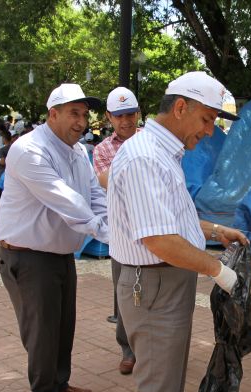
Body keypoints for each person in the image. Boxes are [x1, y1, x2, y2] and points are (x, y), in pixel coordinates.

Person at [107, 71, 248, 392]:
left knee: (167, 384)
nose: (208, 131)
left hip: (164, 283)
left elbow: (176, 216)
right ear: (182, 107)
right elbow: (161, 240)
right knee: (156, 391)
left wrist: (212, 231)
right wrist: (219, 271)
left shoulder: (161, 152)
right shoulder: (148, 156)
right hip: (154, 284)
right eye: (206, 120)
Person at [0, 83, 108, 392]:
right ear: (53, 113)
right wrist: (110, 233)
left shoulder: (78, 153)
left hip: (59, 254)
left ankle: (59, 383)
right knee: (42, 331)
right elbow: (66, 201)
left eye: (85, 115)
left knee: (63, 326)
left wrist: (108, 221)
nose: (81, 122)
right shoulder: (29, 150)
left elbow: (93, 195)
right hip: (29, 257)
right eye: (74, 113)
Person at [92, 86, 141, 375]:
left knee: (154, 291)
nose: (126, 121)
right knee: (124, 293)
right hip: (122, 233)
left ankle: (150, 347)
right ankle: (127, 348)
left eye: (130, 114)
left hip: (156, 231)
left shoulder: (154, 140)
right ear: (109, 117)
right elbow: (108, 182)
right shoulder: (102, 149)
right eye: (119, 116)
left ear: (138, 113)